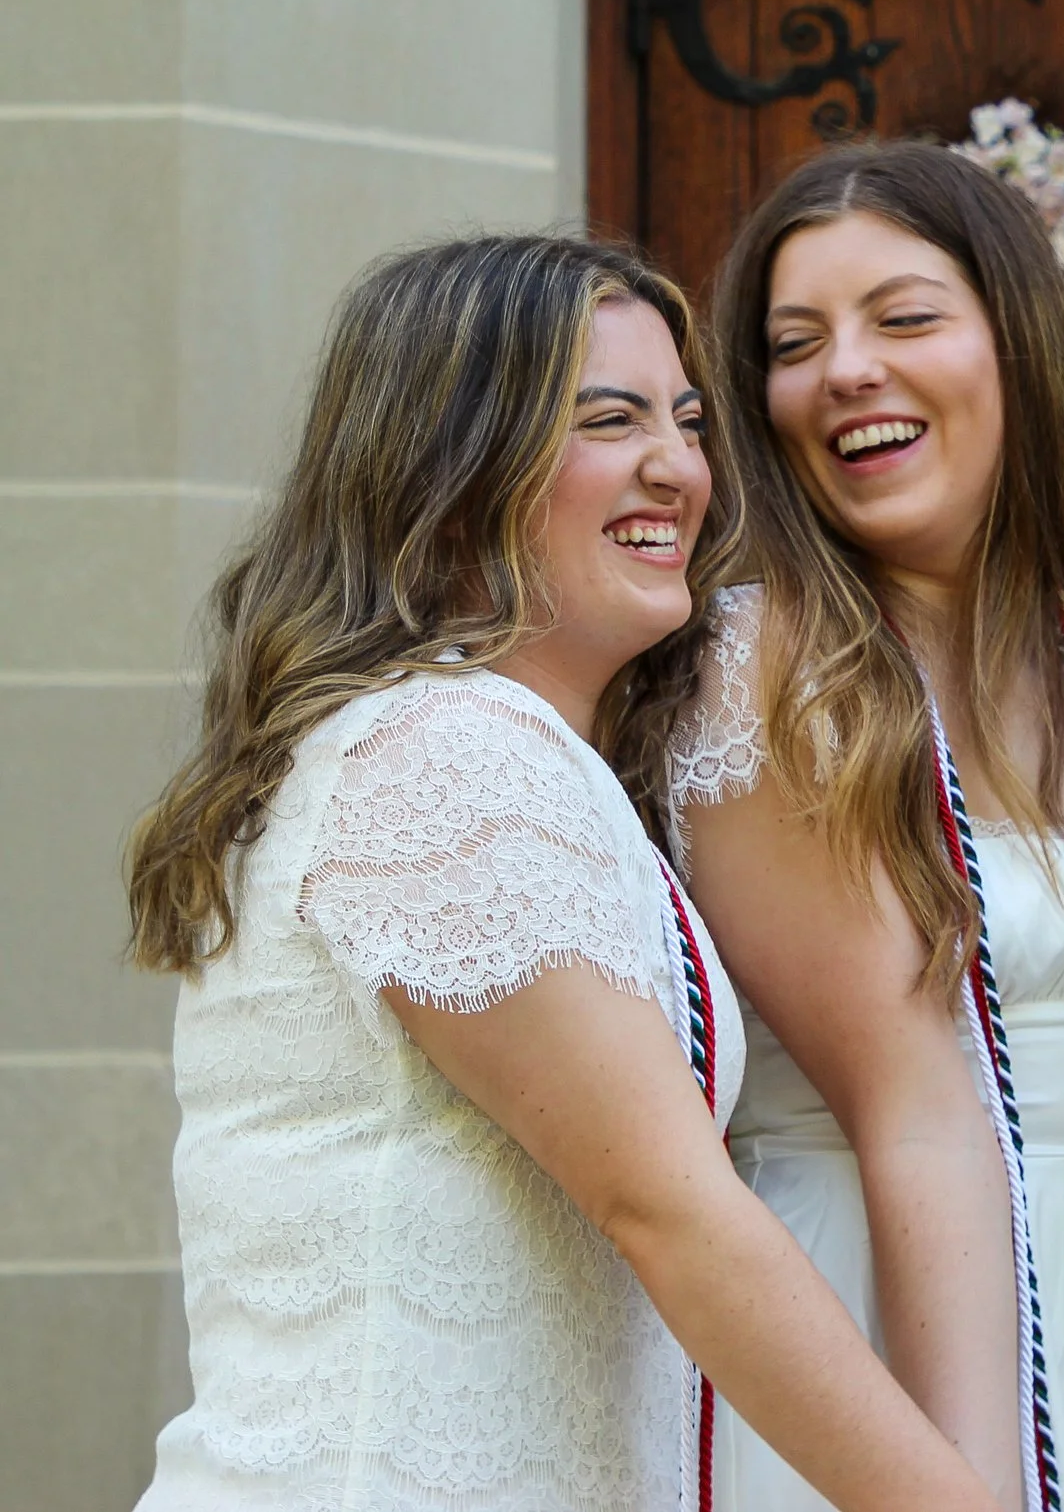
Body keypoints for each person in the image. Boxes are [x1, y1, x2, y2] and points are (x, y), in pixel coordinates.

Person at [125, 235, 999, 1512]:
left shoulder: (471, 742)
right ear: (452, 467)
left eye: (687, 421)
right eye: (608, 419)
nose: (678, 468)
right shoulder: (445, 755)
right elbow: (672, 1215)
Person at [670, 139, 1064, 1512]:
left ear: (1016, 345)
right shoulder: (762, 667)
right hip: (878, 1308)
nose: (847, 369)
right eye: (798, 343)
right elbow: (908, 1115)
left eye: (903, 318)